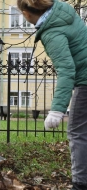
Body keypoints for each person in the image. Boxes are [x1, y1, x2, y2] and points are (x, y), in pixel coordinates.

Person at [17, 0, 87, 189]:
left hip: (85, 80)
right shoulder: (64, 12)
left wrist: (57, 109)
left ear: (26, 14)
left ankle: (81, 184)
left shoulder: (51, 32)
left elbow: (67, 70)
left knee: (77, 132)